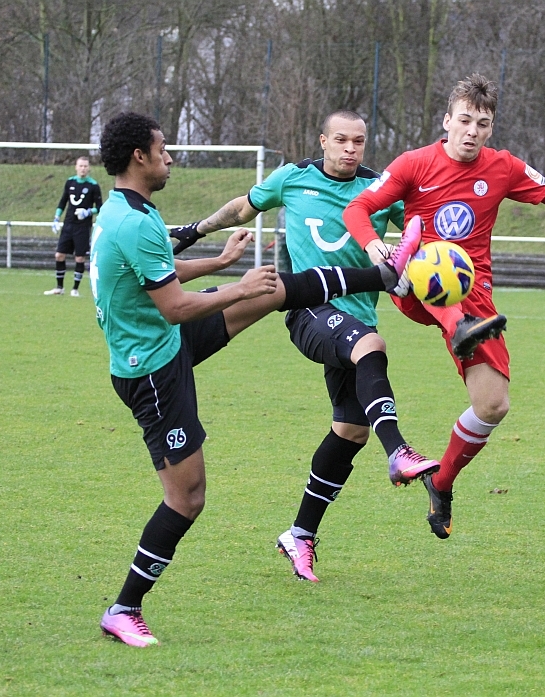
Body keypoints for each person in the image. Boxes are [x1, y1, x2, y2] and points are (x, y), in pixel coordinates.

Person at [91, 111, 416, 647]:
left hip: (163, 343)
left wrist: (220, 262)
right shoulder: (137, 222)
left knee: (271, 293)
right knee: (187, 498)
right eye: (163, 149)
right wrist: (237, 287)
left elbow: (159, 272)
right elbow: (174, 306)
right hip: (152, 370)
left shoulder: (125, 210)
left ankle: (377, 277)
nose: (170, 157)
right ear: (138, 157)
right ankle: (124, 608)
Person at [344, 75, 545, 540]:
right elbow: (357, 209)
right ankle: (453, 317)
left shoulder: (502, 167)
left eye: (482, 124)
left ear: (491, 128)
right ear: (447, 121)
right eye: (465, 121)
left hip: (474, 295)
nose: (472, 131)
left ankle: (441, 482)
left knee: (493, 405)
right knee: (427, 258)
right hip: (413, 280)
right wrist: (375, 247)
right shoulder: (414, 163)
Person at [170, 110, 480, 582]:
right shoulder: (292, 178)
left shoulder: (378, 189)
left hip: (356, 319)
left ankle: (300, 534)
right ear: (323, 140)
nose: (350, 149)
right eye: (340, 139)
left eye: (358, 141)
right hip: (308, 310)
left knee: (350, 431)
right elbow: (242, 208)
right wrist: (197, 230)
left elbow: (422, 233)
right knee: (371, 345)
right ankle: (398, 451)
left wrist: (432, 259)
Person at [44, 156, 102, 297]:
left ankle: (75, 289)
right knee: (59, 255)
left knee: (80, 258)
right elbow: (63, 201)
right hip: (68, 225)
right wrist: (56, 217)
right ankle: (59, 287)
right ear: (76, 167)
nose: (83, 168)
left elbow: (100, 207)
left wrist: (88, 212)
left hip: (83, 227)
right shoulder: (70, 182)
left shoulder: (93, 185)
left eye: (85, 166)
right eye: (80, 166)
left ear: (89, 168)